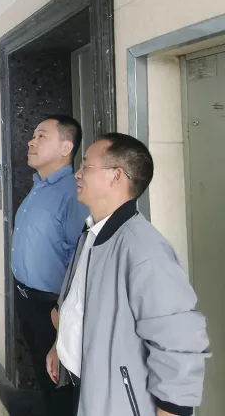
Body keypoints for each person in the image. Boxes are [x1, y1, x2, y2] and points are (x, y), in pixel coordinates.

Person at [47, 133, 210, 416]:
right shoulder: (92, 232)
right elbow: (78, 305)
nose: (77, 174)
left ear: (116, 177)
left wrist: (172, 410)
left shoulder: (145, 250)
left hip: (118, 402)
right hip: (86, 387)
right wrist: (59, 346)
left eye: (86, 166)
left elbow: (179, 343)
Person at [10, 115, 88, 415]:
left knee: (60, 385)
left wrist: (62, 310)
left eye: (41, 136)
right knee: (45, 379)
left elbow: (78, 259)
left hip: (53, 307)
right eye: (33, 135)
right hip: (27, 298)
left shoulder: (72, 192)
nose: (31, 142)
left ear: (66, 147)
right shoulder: (40, 186)